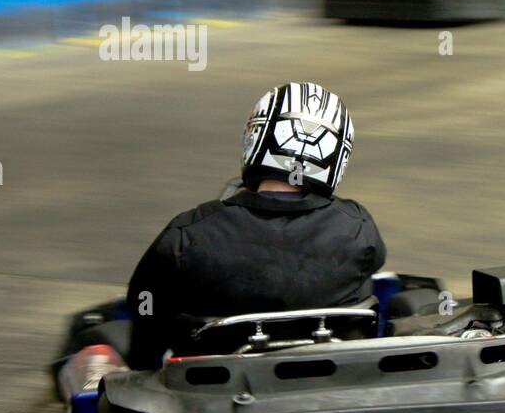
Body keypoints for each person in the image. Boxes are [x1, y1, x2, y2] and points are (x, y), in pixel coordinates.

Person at [125, 83, 384, 369]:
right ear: (337, 155)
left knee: (98, 345)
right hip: (329, 380)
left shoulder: (190, 235)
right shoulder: (358, 228)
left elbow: (143, 306)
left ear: (256, 137)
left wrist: (142, 367)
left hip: (210, 393)